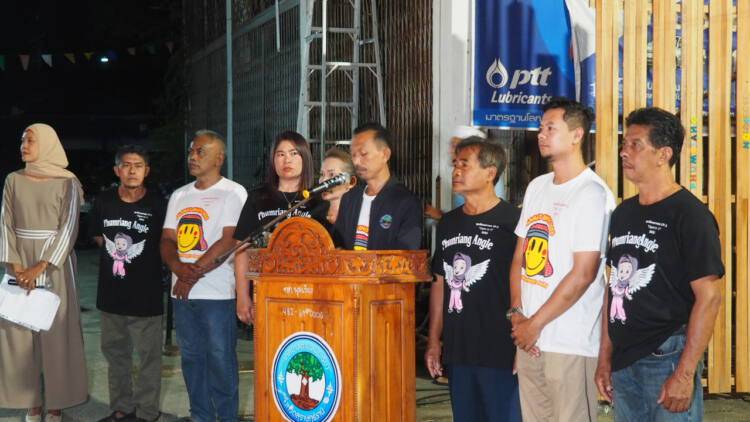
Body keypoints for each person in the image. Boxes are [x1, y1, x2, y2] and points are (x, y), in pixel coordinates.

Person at [595, 107, 724, 420]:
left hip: (667, 355)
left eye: (635, 145)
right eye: (624, 144)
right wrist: (604, 357)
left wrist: (684, 373)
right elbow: (614, 287)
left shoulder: (690, 216)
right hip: (624, 359)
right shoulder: (623, 214)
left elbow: (709, 297)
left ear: (663, 154)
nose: (624, 152)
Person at [509, 98, 615, 421]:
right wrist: (517, 316)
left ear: (576, 135)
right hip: (529, 338)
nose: (541, 134)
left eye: (551, 128)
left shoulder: (592, 194)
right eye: (541, 128)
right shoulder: (537, 187)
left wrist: (534, 324)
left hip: (570, 341)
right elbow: (519, 258)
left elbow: (584, 274)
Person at [425, 138, 521, 421]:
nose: (456, 170)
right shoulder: (448, 223)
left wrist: (523, 343)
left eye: (465, 164)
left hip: (500, 349)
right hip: (459, 348)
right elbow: (440, 281)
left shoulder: (514, 222)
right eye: (455, 164)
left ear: (490, 173)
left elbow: (527, 285)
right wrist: (434, 340)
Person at [0, 123, 88, 422]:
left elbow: (69, 227)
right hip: (18, 262)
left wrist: (41, 266)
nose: (23, 145)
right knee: (18, 334)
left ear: (48, 143)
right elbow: (5, 223)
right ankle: (31, 403)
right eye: (22, 140)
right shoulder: (13, 179)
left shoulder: (68, 182)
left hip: (55, 265)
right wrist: (15, 266)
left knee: (56, 333)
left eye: (30, 140)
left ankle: (56, 404)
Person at [160, 130, 247, 422]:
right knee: (191, 360)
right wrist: (178, 269)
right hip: (183, 294)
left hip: (216, 294)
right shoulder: (180, 195)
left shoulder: (233, 192)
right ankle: (200, 416)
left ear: (219, 158)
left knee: (221, 361)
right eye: (191, 151)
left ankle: (227, 417)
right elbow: (167, 239)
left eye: (200, 152)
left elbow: (229, 239)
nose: (192, 157)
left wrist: (190, 274)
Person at [90, 145, 166, 422]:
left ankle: (147, 413)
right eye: (126, 165)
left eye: (138, 165)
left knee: (148, 360)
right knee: (116, 357)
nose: (132, 170)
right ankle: (121, 408)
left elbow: (166, 242)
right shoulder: (104, 201)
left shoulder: (158, 204)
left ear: (147, 170)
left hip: (147, 297)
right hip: (111, 297)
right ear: (116, 170)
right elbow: (99, 238)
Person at [232, 130, 327, 325]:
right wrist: (242, 295)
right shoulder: (258, 197)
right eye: (280, 154)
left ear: (305, 157)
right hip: (267, 292)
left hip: (311, 294)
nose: (287, 160)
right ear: (273, 160)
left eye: (294, 153)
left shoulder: (320, 199)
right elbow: (241, 247)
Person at [333, 122, 422, 250]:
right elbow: (337, 246)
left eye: (363, 154)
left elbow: (407, 255)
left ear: (385, 154)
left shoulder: (406, 203)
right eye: (353, 155)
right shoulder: (349, 199)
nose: (356, 161)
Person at [318, 148, 356, 225]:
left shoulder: (359, 216)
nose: (324, 180)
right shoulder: (315, 214)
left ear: (351, 182)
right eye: (322, 174)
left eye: (331, 174)